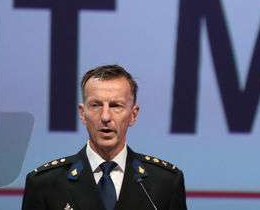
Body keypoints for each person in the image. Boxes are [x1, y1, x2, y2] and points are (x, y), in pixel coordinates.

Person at [22, 64, 187, 210]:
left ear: (133, 115)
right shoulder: (45, 184)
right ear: (82, 113)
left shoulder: (165, 183)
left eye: (116, 106)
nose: (105, 117)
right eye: (95, 105)